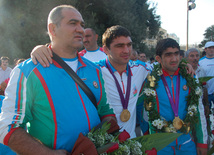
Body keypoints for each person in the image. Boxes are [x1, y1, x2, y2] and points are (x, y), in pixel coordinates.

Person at [0, 5, 116, 155]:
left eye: (82, 24)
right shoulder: (28, 72)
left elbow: (105, 112)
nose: (80, 29)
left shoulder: (94, 70)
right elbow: (8, 127)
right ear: (53, 29)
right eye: (73, 23)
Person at [31, 25, 151, 138]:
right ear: (106, 49)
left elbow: (165, 67)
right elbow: (67, 65)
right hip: (104, 143)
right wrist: (40, 49)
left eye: (129, 45)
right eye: (119, 46)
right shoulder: (94, 70)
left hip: (131, 140)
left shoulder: (141, 69)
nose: (126, 50)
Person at [139, 38, 208, 154]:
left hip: (186, 144)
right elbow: (144, 114)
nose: (174, 59)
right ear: (158, 59)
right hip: (160, 146)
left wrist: (202, 142)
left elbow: (198, 112)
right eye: (168, 55)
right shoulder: (150, 80)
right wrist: (147, 141)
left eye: (176, 54)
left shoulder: (190, 77)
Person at [199, 41, 214, 109]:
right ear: (205, 49)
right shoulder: (200, 61)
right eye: (209, 48)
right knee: (206, 113)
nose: (212, 49)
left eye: (213, 48)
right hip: (206, 93)